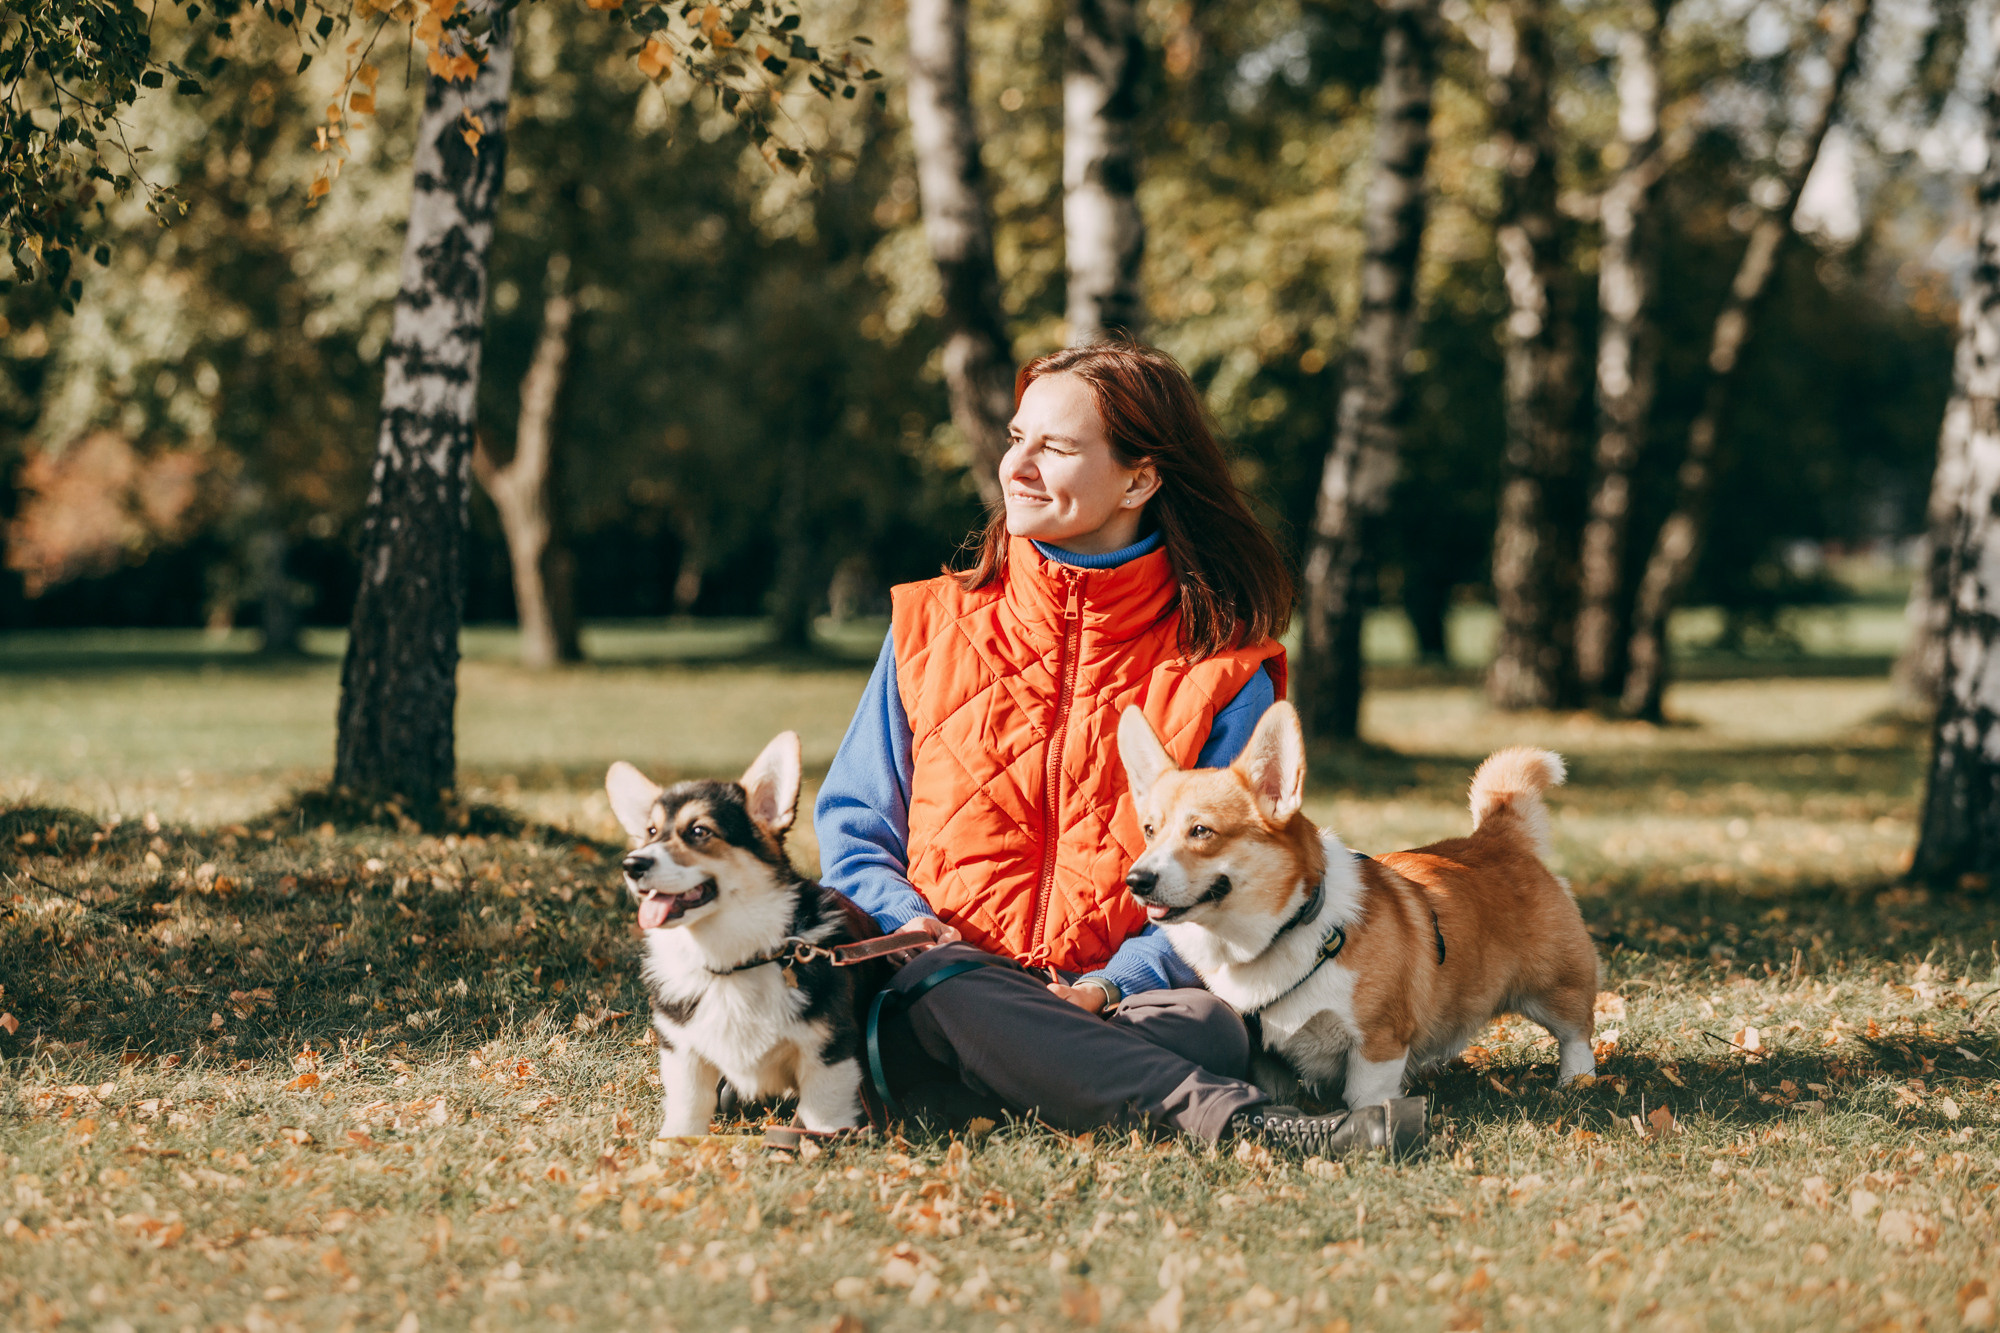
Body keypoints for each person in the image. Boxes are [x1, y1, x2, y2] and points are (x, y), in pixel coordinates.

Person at [814, 342, 1424, 1153]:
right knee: (950, 990)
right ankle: (1252, 1124)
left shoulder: (1221, 669)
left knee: (1206, 1023)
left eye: (1056, 448)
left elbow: (1232, 883)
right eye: (1015, 438)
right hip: (929, 977)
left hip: (1115, 1000)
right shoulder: (930, 626)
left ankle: (1002, 1077)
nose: (1018, 466)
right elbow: (855, 831)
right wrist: (915, 928)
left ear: (1139, 479)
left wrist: (1107, 986)